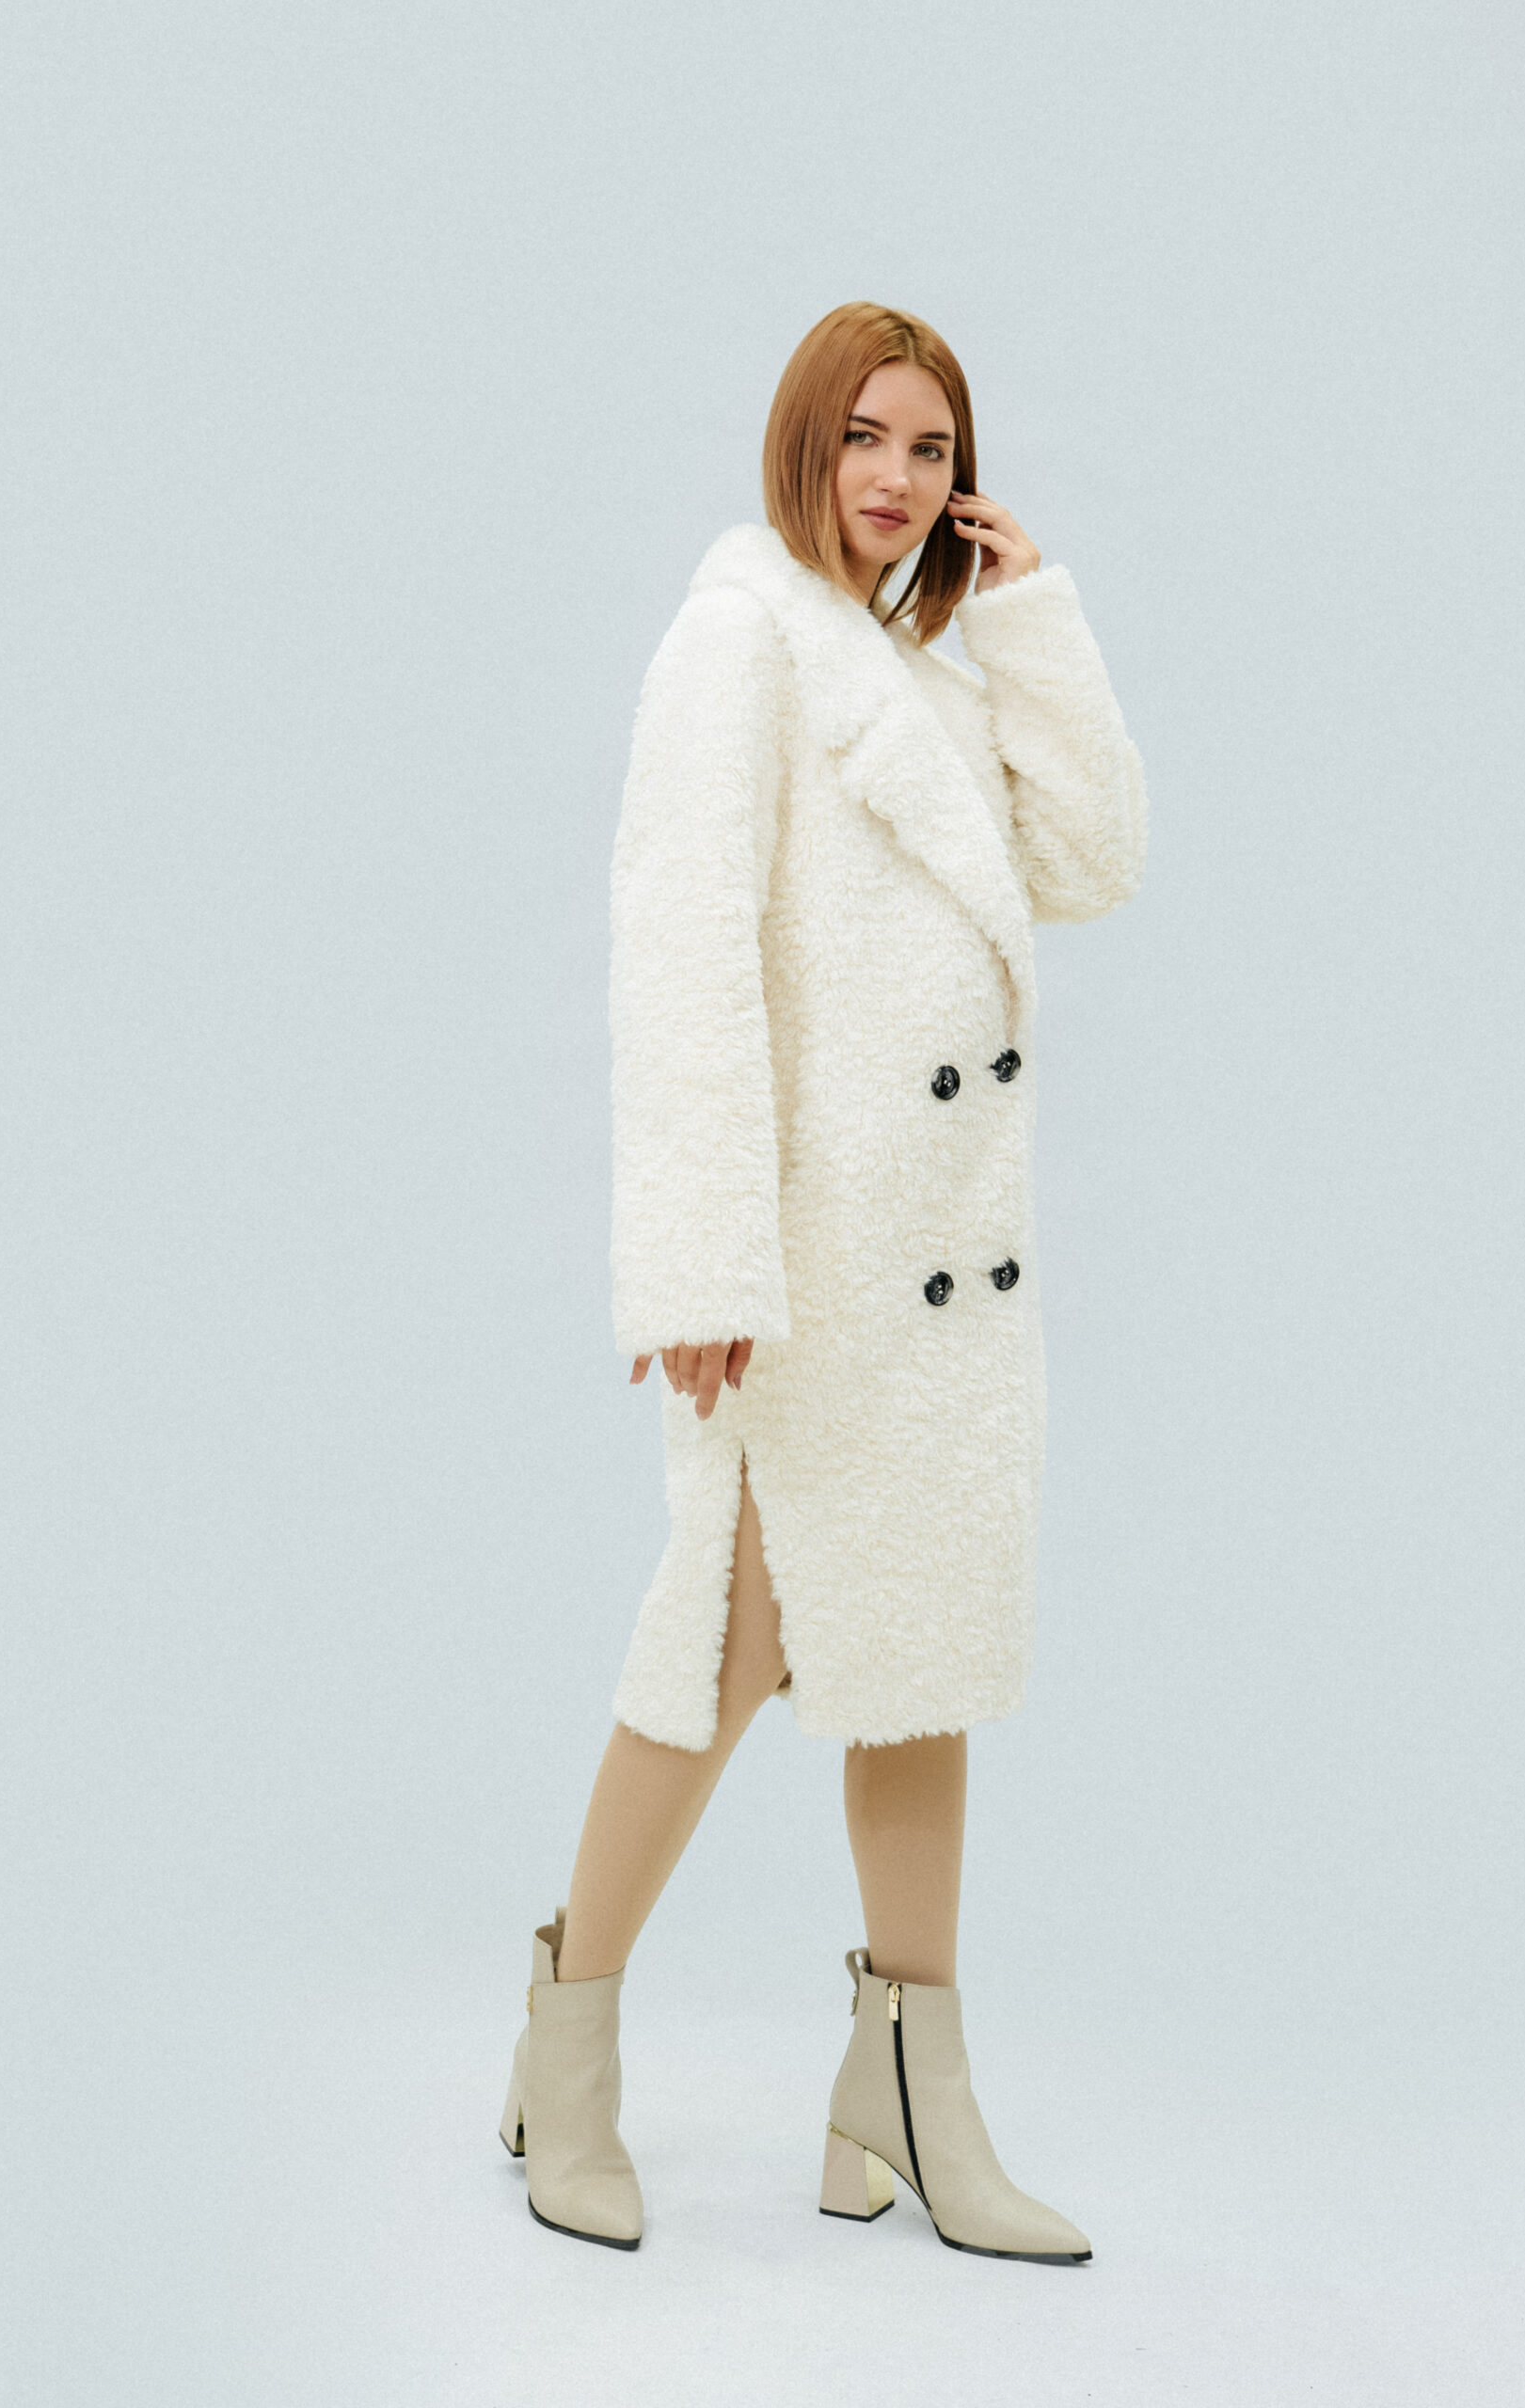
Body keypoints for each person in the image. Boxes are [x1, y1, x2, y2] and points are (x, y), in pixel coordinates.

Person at [501, 300, 1148, 2261]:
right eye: (866, 435)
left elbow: (1092, 861)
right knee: (718, 1655)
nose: (896, 477)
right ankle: (564, 2047)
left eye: (932, 450)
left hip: (939, 1276)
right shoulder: (738, 642)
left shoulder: (927, 669)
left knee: (923, 1667)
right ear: (803, 438)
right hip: (796, 1274)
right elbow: (679, 953)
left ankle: (906, 2097)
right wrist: (698, 1260)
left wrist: (1030, 622)